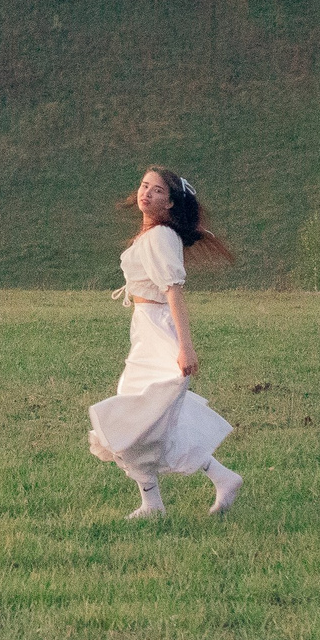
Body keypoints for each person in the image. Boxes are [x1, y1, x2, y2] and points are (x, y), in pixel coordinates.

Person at [87, 166, 243, 520]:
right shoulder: (152, 234)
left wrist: (185, 347)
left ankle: (153, 504)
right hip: (146, 330)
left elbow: (174, 291)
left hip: (159, 334)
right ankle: (215, 481)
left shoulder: (160, 237)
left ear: (170, 202)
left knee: (131, 420)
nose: (146, 193)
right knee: (146, 421)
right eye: (144, 186)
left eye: (157, 190)